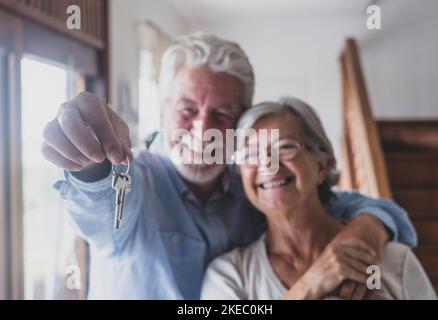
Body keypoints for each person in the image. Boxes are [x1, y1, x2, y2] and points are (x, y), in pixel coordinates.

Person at [42, 33, 417, 299]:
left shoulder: (256, 187)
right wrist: (90, 165)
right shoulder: (135, 179)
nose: (203, 129)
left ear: (241, 126)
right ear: (163, 112)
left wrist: (367, 230)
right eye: (187, 110)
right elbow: (99, 205)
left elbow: (336, 202)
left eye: (222, 113)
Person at [201, 98, 436, 300]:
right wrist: (309, 286)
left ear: (322, 166)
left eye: (284, 147)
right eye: (250, 154)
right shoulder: (230, 276)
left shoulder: (393, 260)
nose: (268, 165)